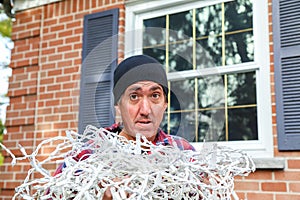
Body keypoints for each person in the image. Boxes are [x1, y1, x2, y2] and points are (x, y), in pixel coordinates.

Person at [53, 54, 195, 199]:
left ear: (165, 103)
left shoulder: (183, 151)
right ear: (118, 105)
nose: (146, 110)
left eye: (155, 95)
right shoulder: (85, 157)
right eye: (134, 96)